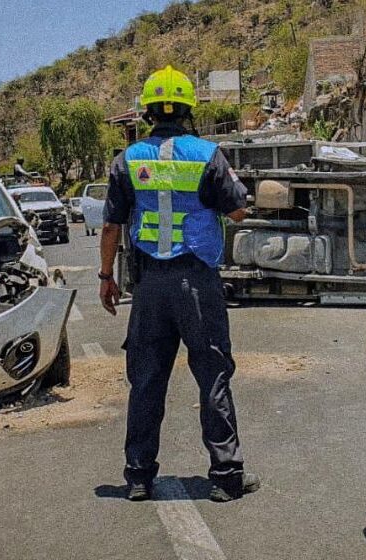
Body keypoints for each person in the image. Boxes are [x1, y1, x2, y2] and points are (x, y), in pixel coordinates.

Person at [98, 65, 259, 503]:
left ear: (147, 111)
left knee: (147, 380)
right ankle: (226, 477)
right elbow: (239, 213)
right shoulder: (207, 154)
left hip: (149, 286)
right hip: (197, 283)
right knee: (213, 377)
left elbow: (112, 226)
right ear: (188, 109)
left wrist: (106, 277)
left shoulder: (126, 160)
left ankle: (137, 477)